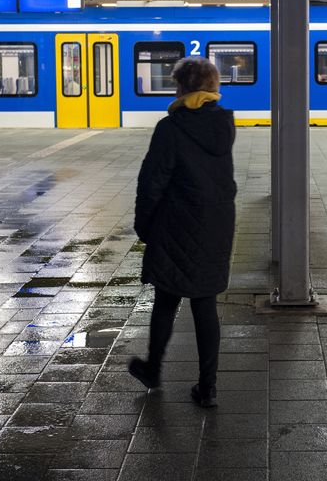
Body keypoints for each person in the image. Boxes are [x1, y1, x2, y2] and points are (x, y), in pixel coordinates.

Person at [128, 57, 237, 408]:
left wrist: (144, 225)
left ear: (183, 87)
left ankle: (153, 369)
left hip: (176, 222)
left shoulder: (171, 127)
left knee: (166, 298)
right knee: (205, 303)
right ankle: (208, 387)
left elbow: (151, 182)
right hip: (216, 222)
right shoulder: (223, 123)